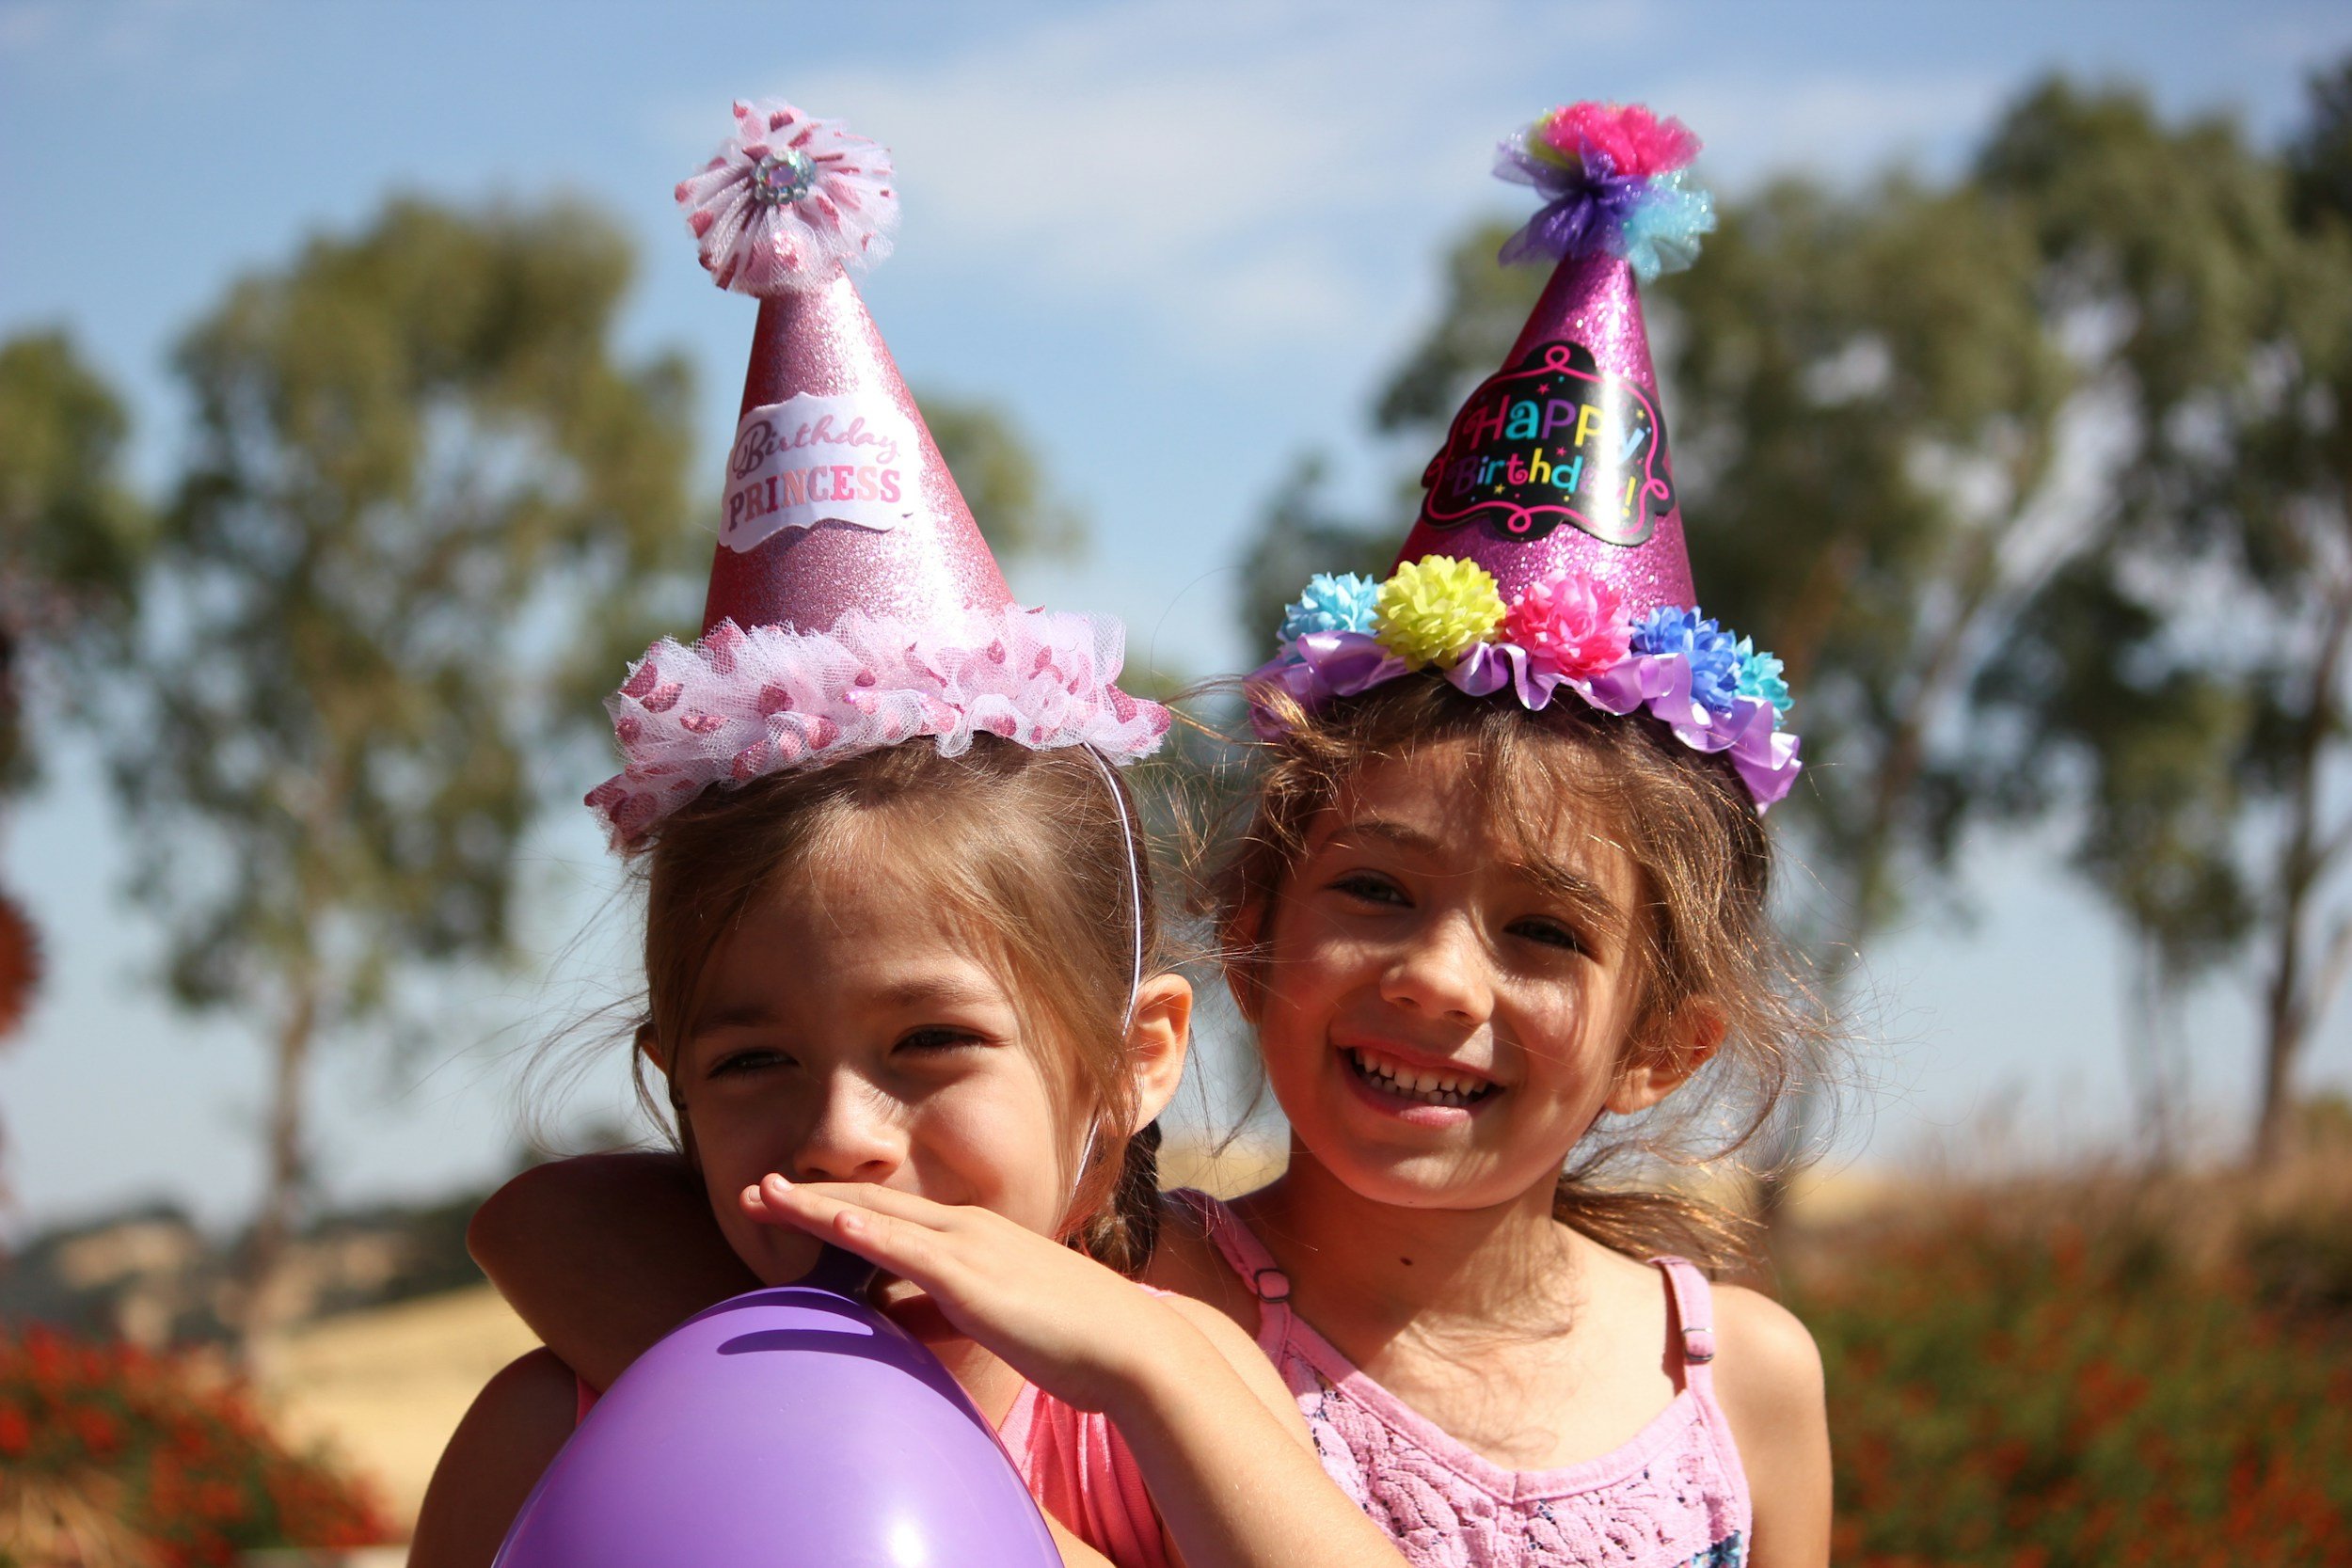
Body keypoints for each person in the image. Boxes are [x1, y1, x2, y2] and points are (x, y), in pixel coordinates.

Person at [466, 102, 1836, 1567]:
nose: (1439, 979)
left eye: (1547, 929)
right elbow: (559, 1220)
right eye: (1374, 889)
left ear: (1665, 1040)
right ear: (1258, 928)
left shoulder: (1169, 1350)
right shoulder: (1154, 1298)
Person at [408, 99, 1411, 1568]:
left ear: (1134, 1063)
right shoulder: (558, 1426)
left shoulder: (1164, 1433)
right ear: (670, 1089)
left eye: (930, 1044)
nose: (838, 1138)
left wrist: (1153, 1366)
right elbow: (539, 1215)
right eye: (749, 1062)